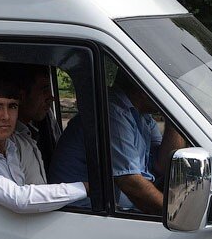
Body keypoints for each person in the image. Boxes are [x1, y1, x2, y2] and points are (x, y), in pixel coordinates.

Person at [50, 70, 184, 214]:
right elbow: (130, 183)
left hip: (108, 209)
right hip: (82, 213)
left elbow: (164, 166)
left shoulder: (142, 115)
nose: (167, 96)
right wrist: (177, 213)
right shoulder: (112, 112)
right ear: (144, 89)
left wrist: (174, 118)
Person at [0, 72, 87, 212]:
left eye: (12, 106)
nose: (6, 116)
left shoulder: (10, 146)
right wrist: (85, 187)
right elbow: (19, 199)